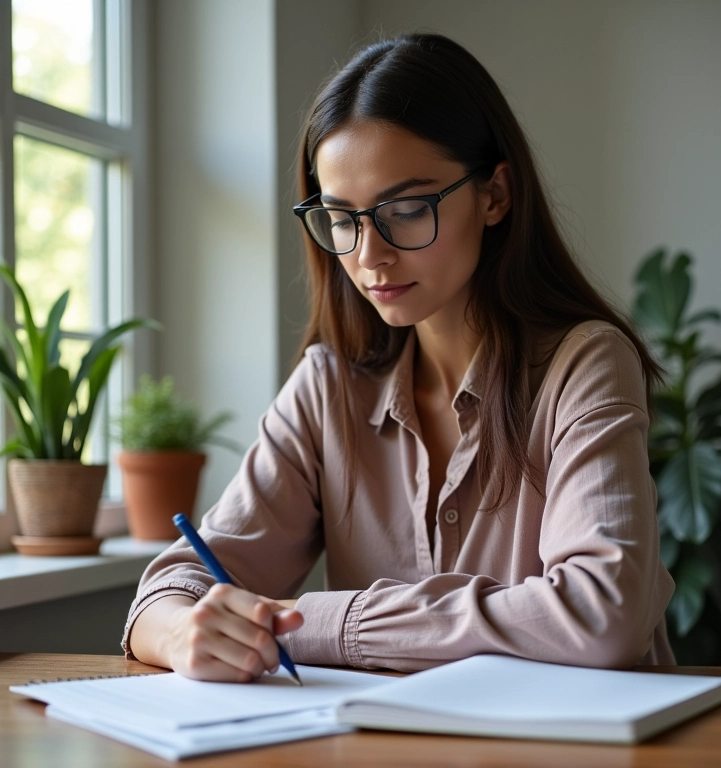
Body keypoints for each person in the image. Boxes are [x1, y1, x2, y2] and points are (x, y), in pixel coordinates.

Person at [124, 32, 675, 682]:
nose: (368, 255)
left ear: (495, 195)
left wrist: (318, 625)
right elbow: (162, 598)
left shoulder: (584, 364)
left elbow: (602, 612)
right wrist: (189, 632)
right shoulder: (328, 388)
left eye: (406, 209)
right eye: (340, 217)